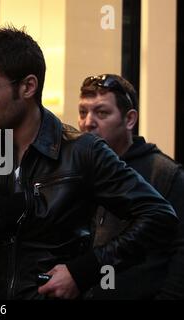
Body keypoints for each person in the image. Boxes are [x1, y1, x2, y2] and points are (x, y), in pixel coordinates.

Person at [0, 27, 178, 300]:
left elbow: (159, 217)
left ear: (28, 87)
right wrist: (10, 208)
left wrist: (84, 270)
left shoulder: (81, 151)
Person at [78, 74, 184, 299]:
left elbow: (180, 252)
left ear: (129, 120)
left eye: (102, 112)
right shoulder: (75, 170)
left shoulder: (165, 173)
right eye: (83, 112)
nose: (88, 122)